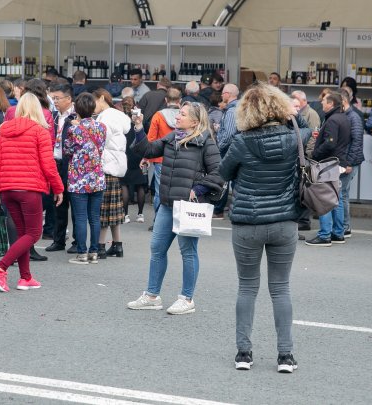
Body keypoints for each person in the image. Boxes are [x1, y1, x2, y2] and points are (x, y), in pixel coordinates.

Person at [218, 83, 301, 373]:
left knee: (247, 287)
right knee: (281, 289)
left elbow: (223, 173)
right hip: (284, 221)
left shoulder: (242, 142)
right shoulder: (294, 139)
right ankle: (285, 356)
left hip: (247, 222)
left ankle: (244, 353)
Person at [126, 101, 224, 315]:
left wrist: (198, 189)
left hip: (189, 206)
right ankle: (152, 295)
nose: (177, 117)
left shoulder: (206, 141)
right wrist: (139, 128)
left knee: (188, 252)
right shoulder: (173, 137)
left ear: (195, 121)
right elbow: (148, 149)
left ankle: (187, 299)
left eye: (182, 114)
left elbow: (219, 172)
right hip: (168, 203)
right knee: (157, 249)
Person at [0, 93, 64, 292]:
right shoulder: (40, 131)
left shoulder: (4, 130)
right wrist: (58, 187)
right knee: (34, 233)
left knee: (22, 234)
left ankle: (25, 277)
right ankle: (1, 268)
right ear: (38, 109)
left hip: (7, 189)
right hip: (29, 189)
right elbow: (48, 165)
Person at [63, 93, 107, 265]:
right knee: (94, 217)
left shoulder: (73, 129)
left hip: (78, 177)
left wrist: (76, 127)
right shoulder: (102, 127)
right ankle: (94, 252)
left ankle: (82, 252)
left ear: (76, 109)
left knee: (80, 216)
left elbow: (67, 149)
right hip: (97, 176)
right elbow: (101, 148)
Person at [305, 92, 351, 247]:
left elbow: (330, 143)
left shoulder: (332, 120)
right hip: (337, 162)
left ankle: (325, 235)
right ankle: (338, 233)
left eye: (323, 101)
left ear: (331, 103)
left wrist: (314, 153)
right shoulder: (343, 117)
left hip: (328, 163)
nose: (321, 103)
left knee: (324, 198)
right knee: (335, 199)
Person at [93, 88, 130, 259]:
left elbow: (100, 141)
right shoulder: (118, 116)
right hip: (116, 166)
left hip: (106, 165)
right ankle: (118, 245)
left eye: (94, 102)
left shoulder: (106, 117)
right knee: (114, 209)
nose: (92, 107)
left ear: (101, 98)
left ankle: (100, 246)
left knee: (103, 210)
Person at [44, 84, 78, 253]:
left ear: (68, 99)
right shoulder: (53, 116)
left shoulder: (76, 116)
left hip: (71, 162)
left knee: (74, 202)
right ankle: (58, 239)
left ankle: (77, 241)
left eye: (57, 98)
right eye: (53, 98)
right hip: (55, 162)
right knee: (57, 202)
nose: (55, 102)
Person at [146, 87, 182, 218]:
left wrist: (146, 158)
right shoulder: (185, 116)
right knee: (179, 190)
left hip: (161, 158)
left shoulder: (158, 116)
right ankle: (176, 218)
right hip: (180, 158)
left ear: (166, 100)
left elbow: (150, 139)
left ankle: (158, 220)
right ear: (180, 100)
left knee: (159, 190)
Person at [118, 96, 148, 224]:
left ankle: (125, 215)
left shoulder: (120, 119)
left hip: (125, 154)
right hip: (138, 152)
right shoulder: (138, 118)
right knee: (140, 184)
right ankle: (140, 214)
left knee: (124, 184)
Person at [213, 83, 240, 219]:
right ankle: (235, 210)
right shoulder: (237, 108)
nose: (222, 95)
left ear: (228, 95)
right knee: (235, 181)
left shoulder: (230, 112)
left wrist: (219, 147)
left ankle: (218, 210)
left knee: (223, 180)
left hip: (228, 150)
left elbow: (229, 135)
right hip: (235, 150)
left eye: (223, 93)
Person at [340, 88, 365, 237]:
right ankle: (344, 225)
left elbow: (356, 141)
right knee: (343, 193)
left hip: (349, 161)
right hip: (347, 160)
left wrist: (348, 162)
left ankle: (345, 226)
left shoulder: (353, 117)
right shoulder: (348, 115)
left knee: (342, 193)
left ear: (343, 101)